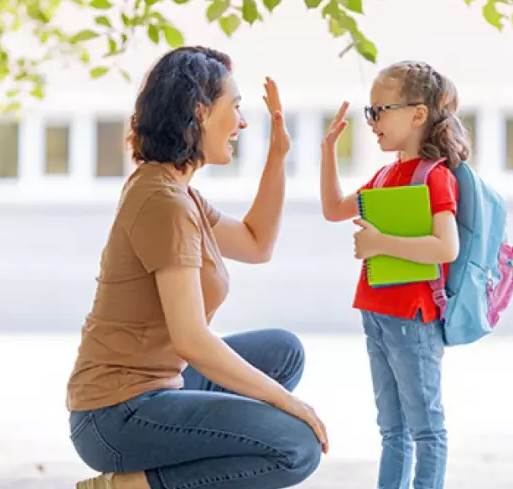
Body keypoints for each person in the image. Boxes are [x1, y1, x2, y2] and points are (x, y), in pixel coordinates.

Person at [66, 46, 340, 489]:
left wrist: (277, 156)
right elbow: (191, 338)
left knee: (282, 351)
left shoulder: (175, 190)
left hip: (156, 388)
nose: (242, 123)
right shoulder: (164, 202)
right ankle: (127, 486)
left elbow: (256, 243)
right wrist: (289, 404)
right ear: (199, 111)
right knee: (296, 446)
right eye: (235, 107)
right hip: (115, 416)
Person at [319, 60, 470, 489]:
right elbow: (334, 209)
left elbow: (446, 247)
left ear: (418, 114)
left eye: (379, 110)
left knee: (426, 428)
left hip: (412, 317)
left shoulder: (433, 177)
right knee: (392, 429)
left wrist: (380, 243)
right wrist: (329, 152)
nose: (372, 122)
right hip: (377, 314)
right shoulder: (386, 175)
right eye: (371, 112)